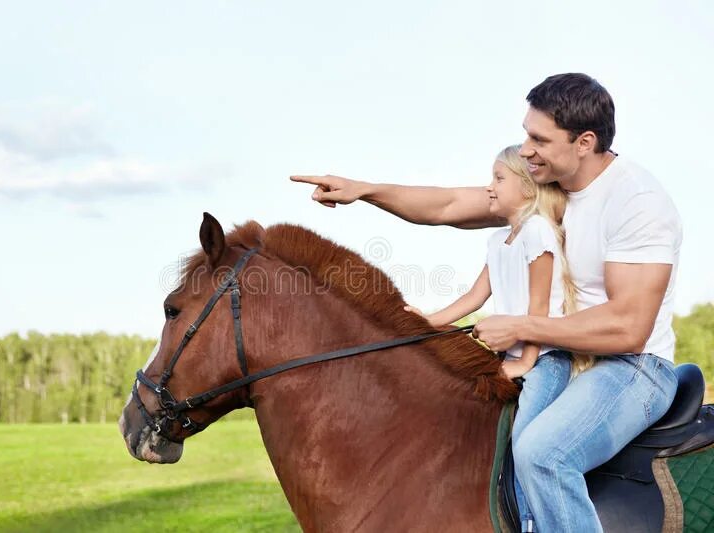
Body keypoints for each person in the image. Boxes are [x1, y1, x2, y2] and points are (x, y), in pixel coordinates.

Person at [290, 73, 682, 532]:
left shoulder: (636, 200)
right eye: (525, 133)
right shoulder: (547, 191)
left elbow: (628, 327)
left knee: (543, 455)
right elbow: (448, 206)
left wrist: (520, 328)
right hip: (557, 356)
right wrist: (366, 190)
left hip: (633, 367)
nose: (526, 148)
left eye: (539, 138)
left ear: (585, 142)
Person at [404, 144, 595, 530]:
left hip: (545, 358)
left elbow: (538, 307)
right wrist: (427, 321)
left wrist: (526, 361)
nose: (489, 188)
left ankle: (530, 525)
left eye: (498, 178)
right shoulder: (497, 242)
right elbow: (475, 297)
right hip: (511, 357)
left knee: (526, 445)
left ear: (526, 187)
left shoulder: (539, 231)